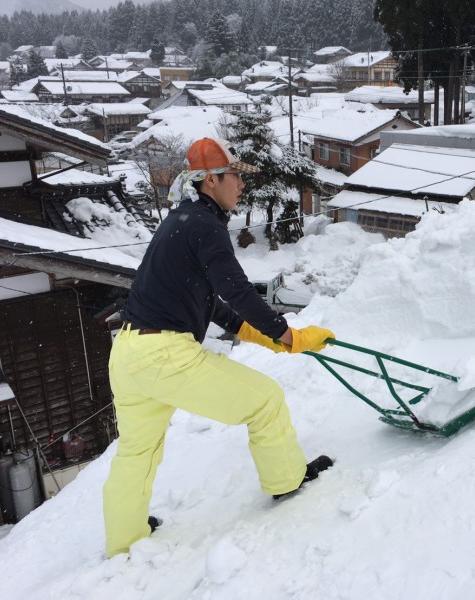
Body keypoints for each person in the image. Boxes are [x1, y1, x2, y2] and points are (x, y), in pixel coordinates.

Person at [103, 137, 334, 558]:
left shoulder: (179, 220)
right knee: (266, 401)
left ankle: (124, 537)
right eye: (234, 176)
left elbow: (209, 301)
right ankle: (287, 481)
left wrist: (261, 335)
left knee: (137, 451)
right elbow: (237, 290)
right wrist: (288, 335)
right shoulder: (204, 224)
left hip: (128, 352)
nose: (241, 185)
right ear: (210, 180)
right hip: (164, 355)